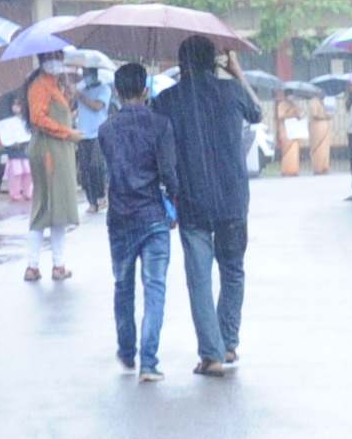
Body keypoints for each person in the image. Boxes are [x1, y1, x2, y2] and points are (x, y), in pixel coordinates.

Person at [156, 33, 253, 373]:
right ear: (215, 61)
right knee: (233, 271)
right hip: (232, 198)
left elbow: (160, 146)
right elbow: (255, 113)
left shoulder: (167, 101)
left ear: (181, 64)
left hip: (193, 198)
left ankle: (211, 354)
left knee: (199, 278)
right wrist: (237, 71)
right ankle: (227, 344)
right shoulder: (232, 91)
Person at [98, 59, 176, 378]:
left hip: (119, 217)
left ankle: (126, 351)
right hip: (154, 216)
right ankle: (150, 362)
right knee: (154, 288)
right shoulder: (160, 125)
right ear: (145, 90)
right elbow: (169, 172)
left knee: (123, 286)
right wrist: (175, 202)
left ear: (116, 92)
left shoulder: (106, 130)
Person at [21, 54, 86, 281]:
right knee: (45, 207)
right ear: (45, 60)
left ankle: (58, 264)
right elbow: (38, 118)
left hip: (59, 150)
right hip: (49, 151)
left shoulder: (53, 84)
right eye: (55, 57)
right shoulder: (39, 86)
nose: (59, 61)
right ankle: (33, 265)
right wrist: (68, 132)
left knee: (59, 210)